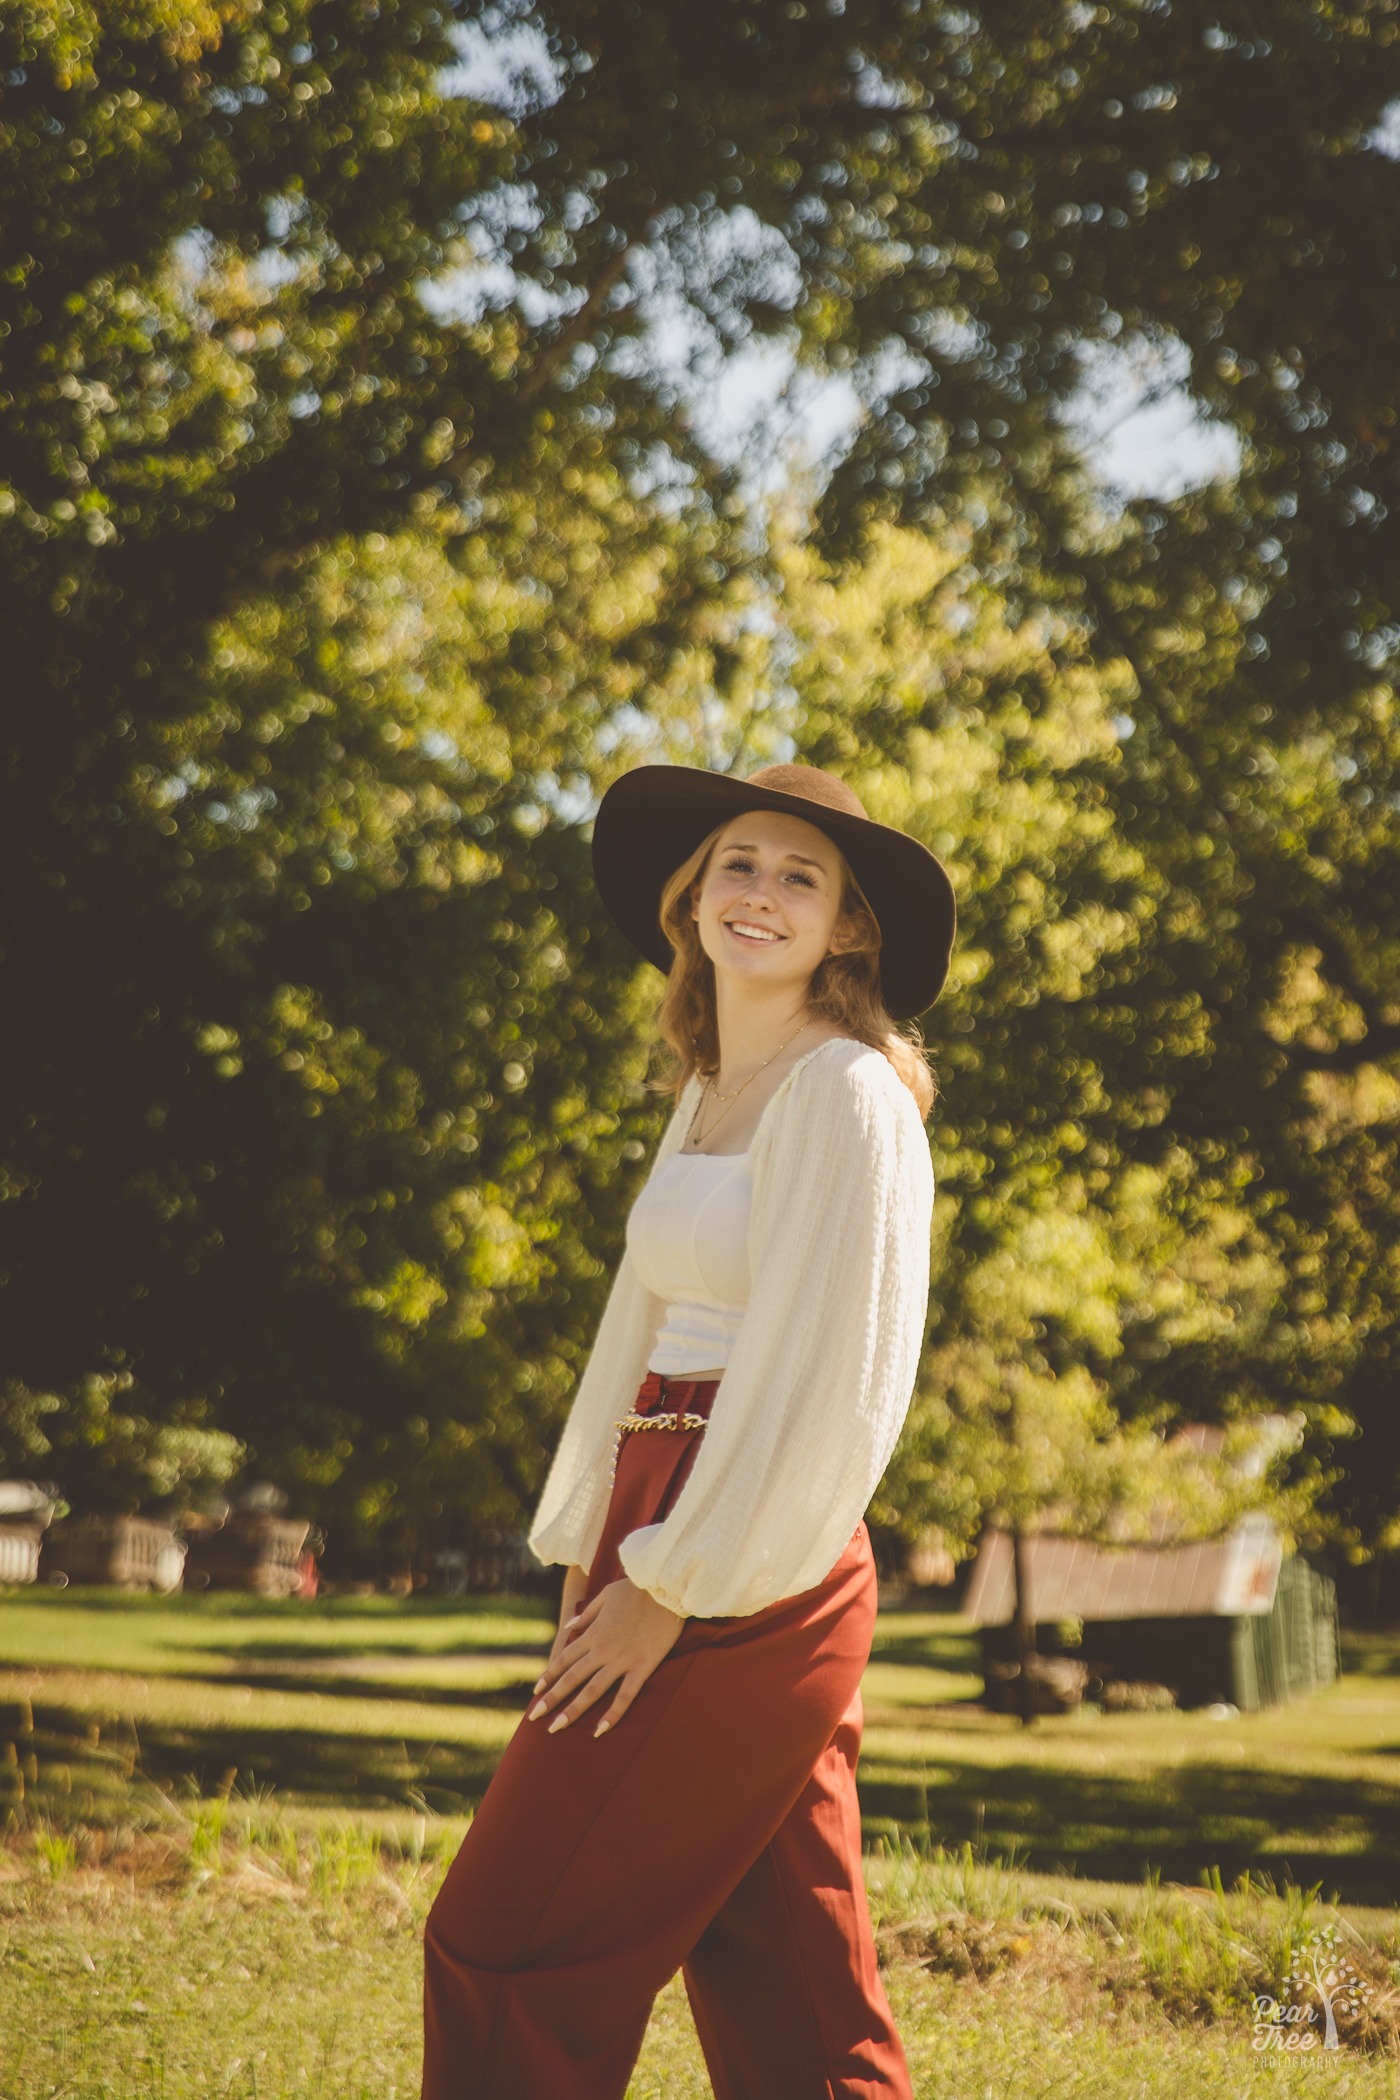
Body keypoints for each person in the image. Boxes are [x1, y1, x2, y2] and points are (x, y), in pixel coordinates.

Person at [422, 760, 956, 2100]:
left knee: (506, 1945)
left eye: (800, 876)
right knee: (789, 1976)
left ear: (848, 928)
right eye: (738, 863)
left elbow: (838, 1388)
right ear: (691, 900)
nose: (760, 893)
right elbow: (638, 1337)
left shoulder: (848, 1095)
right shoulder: (709, 1090)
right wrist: (587, 1544)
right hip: (661, 1511)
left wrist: (670, 1587)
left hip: (747, 1553)